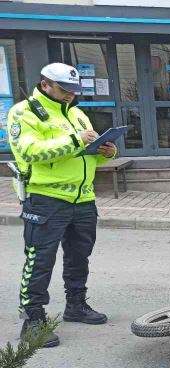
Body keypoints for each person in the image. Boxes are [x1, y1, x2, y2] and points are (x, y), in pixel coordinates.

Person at [6, 62, 117, 348]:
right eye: (64, 89)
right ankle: (32, 320)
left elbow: (87, 154)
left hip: (83, 199)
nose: (70, 95)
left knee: (80, 257)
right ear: (45, 85)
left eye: (73, 90)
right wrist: (75, 139)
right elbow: (30, 152)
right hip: (45, 200)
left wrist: (107, 151)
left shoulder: (78, 114)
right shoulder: (24, 112)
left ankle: (76, 305)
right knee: (39, 260)